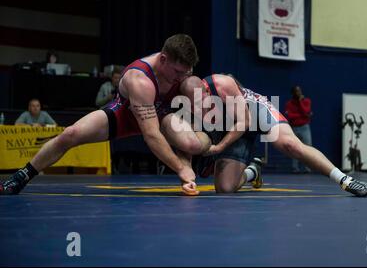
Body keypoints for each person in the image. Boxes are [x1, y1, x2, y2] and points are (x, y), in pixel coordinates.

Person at [0, 34, 210, 196]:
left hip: (163, 113)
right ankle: (22, 175)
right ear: (163, 59)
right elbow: (151, 136)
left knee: (191, 142)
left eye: (187, 71)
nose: (181, 77)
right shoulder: (140, 80)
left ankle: (211, 144)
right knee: (70, 134)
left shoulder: (183, 74)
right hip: (125, 115)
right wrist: (180, 169)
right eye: (177, 72)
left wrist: (186, 169)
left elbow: (184, 112)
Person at [180, 74, 367, 197]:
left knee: (291, 145)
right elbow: (191, 142)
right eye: (194, 104)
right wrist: (189, 175)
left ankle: (344, 180)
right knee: (225, 189)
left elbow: (245, 121)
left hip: (253, 113)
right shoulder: (191, 108)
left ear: (206, 89)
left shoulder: (222, 83)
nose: (200, 107)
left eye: (202, 101)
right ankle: (252, 171)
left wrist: (220, 147)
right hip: (234, 129)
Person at [285, 86, 312, 173]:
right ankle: (295, 168)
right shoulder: (289, 103)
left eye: (299, 91)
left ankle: (307, 168)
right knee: (294, 148)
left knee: (308, 147)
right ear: (293, 93)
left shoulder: (306, 101)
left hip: (305, 127)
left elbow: (306, 111)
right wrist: (303, 116)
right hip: (293, 128)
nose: (299, 92)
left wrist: (300, 102)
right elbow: (290, 116)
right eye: (297, 91)